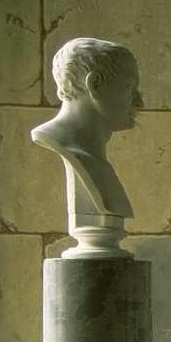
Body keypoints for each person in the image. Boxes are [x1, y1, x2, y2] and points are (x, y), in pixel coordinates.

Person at [32, 38, 142, 228]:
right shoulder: (68, 149)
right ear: (95, 84)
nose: (140, 102)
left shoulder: (96, 162)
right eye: (129, 87)